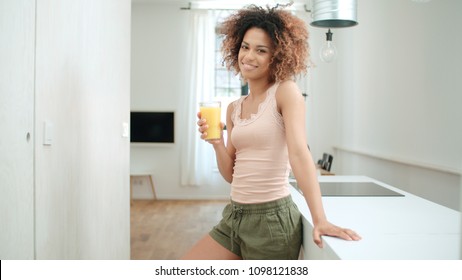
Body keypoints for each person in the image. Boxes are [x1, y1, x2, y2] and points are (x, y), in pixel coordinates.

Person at [182, 4, 361, 260]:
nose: (248, 56)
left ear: (276, 57)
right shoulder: (234, 108)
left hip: (272, 222)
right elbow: (231, 176)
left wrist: (320, 219)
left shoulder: (285, 92)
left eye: (261, 50)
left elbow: (299, 154)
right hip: (235, 216)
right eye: (245, 46)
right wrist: (216, 142)